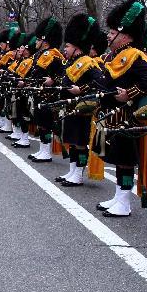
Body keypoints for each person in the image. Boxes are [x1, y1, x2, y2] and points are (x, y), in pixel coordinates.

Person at [96, 0, 147, 218]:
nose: (108, 35)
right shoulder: (115, 55)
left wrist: (130, 93)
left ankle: (124, 202)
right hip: (112, 116)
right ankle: (118, 197)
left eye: (113, 31)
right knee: (117, 159)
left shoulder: (133, 55)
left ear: (125, 35)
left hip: (126, 117)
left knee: (125, 161)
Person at [54, 14, 104, 187]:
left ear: (76, 47)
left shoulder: (88, 62)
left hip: (82, 109)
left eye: (67, 46)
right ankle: (72, 170)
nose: (64, 49)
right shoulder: (71, 62)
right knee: (73, 142)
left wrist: (81, 90)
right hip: (70, 108)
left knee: (80, 143)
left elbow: (100, 81)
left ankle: (79, 174)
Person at [25, 16, 65, 163]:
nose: (35, 42)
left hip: (48, 96)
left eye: (38, 39)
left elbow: (63, 74)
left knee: (46, 123)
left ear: (44, 39)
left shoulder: (53, 55)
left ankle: (46, 151)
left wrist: (53, 80)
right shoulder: (39, 54)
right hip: (38, 93)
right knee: (41, 123)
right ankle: (42, 149)